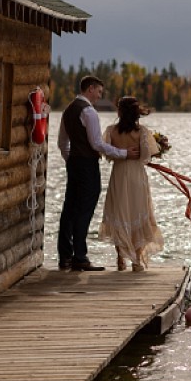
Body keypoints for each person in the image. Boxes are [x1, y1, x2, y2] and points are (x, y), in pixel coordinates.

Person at [57, 76, 139, 271]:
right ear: (90, 89)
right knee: (85, 209)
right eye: (99, 92)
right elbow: (97, 144)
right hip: (87, 164)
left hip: (74, 163)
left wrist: (72, 159)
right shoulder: (88, 112)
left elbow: (62, 143)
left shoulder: (68, 110)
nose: (99, 96)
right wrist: (124, 153)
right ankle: (80, 257)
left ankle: (65, 256)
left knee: (69, 208)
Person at [98, 96, 165, 272]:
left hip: (119, 175)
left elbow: (108, 155)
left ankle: (121, 258)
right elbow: (145, 156)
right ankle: (136, 261)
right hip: (136, 175)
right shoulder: (142, 132)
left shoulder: (111, 131)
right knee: (137, 211)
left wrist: (122, 153)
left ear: (119, 112)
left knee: (120, 212)